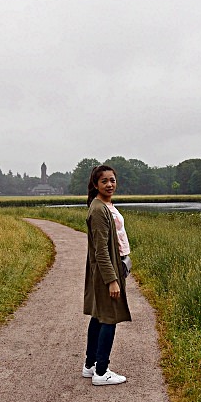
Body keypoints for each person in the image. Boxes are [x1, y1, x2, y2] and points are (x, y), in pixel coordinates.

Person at [82, 165, 132, 386]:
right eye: (104, 181)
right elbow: (101, 250)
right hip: (106, 271)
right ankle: (101, 372)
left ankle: (90, 365)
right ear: (96, 184)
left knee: (98, 317)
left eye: (112, 180)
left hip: (111, 266)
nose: (110, 184)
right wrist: (112, 280)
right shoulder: (98, 210)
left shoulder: (106, 205)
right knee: (109, 318)